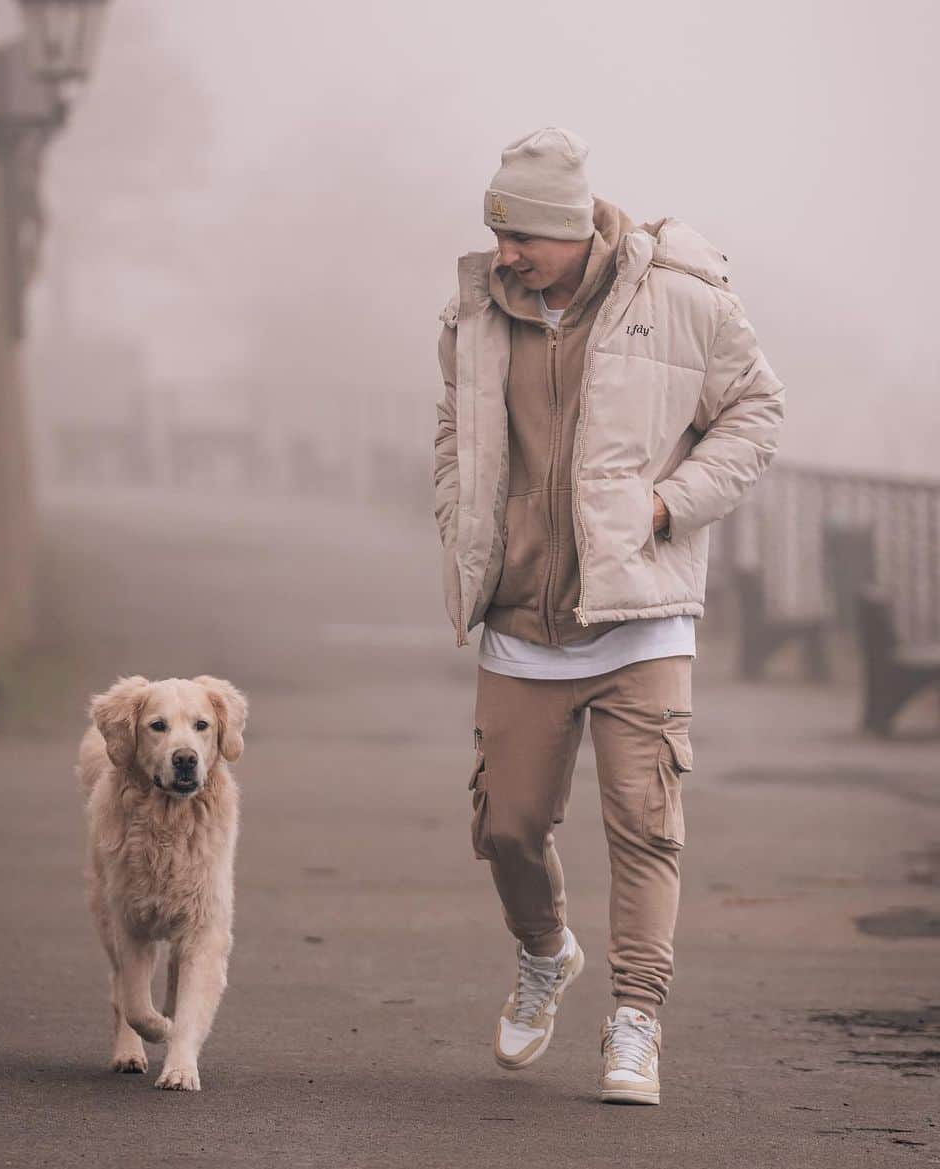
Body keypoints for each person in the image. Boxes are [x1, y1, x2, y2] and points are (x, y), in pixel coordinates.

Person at [433, 127, 784, 1104]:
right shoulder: (475, 314)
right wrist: (461, 518)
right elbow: (453, 436)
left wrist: (671, 503)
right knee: (507, 827)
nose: (506, 255)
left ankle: (637, 1016)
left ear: (576, 229)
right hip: (522, 617)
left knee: (645, 825)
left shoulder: (683, 298)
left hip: (643, 616)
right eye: (496, 234)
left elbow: (756, 412)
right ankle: (546, 953)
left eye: (525, 239)